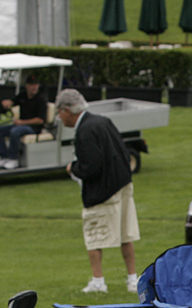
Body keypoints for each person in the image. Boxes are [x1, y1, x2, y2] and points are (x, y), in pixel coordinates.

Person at [55, 88, 140, 293]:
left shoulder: (85, 130)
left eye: (59, 112)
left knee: (93, 234)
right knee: (125, 234)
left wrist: (72, 168)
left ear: (67, 111)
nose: (59, 117)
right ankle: (132, 280)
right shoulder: (103, 121)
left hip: (103, 191)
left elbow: (91, 166)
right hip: (123, 186)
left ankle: (98, 282)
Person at [0, 75, 47, 170]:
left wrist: (22, 122)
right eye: (31, 85)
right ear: (27, 86)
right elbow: (13, 102)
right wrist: (7, 102)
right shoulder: (23, 96)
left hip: (34, 128)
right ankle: (4, 157)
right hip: (20, 125)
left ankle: (13, 158)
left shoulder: (41, 100)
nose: (34, 87)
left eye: (36, 85)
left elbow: (40, 120)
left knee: (15, 131)